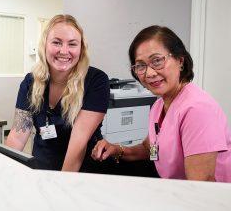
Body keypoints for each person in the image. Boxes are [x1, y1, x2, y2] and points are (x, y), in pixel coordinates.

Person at [91, 25, 231, 182]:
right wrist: (117, 149)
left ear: (180, 61)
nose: (149, 73)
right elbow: (151, 150)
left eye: (157, 61)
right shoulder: (159, 106)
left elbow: (200, 186)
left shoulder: (197, 109)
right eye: (141, 66)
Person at [6, 14, 110, 172]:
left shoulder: (96, 81)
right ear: (45, 45)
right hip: (42, 167)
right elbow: (18, 135)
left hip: (82, 173)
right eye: (56, 42)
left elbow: (78, 144)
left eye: (72, 44)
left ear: (81, 49)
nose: (64, 51)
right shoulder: (31, 82)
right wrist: (4, 170)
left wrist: (61, 186)